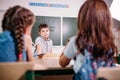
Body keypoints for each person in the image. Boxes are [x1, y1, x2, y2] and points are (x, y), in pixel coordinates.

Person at [59, 0, 118, 79]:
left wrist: (68, 43)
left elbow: (62, 63)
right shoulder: (108, 42)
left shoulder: (76, 41)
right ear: (107, 20)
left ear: (82, 19)